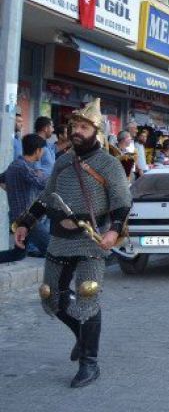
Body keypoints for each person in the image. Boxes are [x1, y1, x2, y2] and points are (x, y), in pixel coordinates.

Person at [14, 98, 131, 388]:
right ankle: (82, 334)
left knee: (87, 294)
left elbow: (121, 202)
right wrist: (25, 223)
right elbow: (47, 198)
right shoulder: (64, 161)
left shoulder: (109, 164)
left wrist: (114, 232)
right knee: (50, 297)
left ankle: (89, 363)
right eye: (74, 126)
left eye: (83, 126)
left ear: (96, 130)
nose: (76, 131)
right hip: (60, 238)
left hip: (91, 239)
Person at [0, 134, 50, 262]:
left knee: (18, 254)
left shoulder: (17, 165)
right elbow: (42, 184)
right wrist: (43, 175)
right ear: (38, 150)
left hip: (20, 217)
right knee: (51, 250)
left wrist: (11, 188)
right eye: (43, 150)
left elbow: (1, 178)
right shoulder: (22, 167)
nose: (43, 153)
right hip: (26, 218)